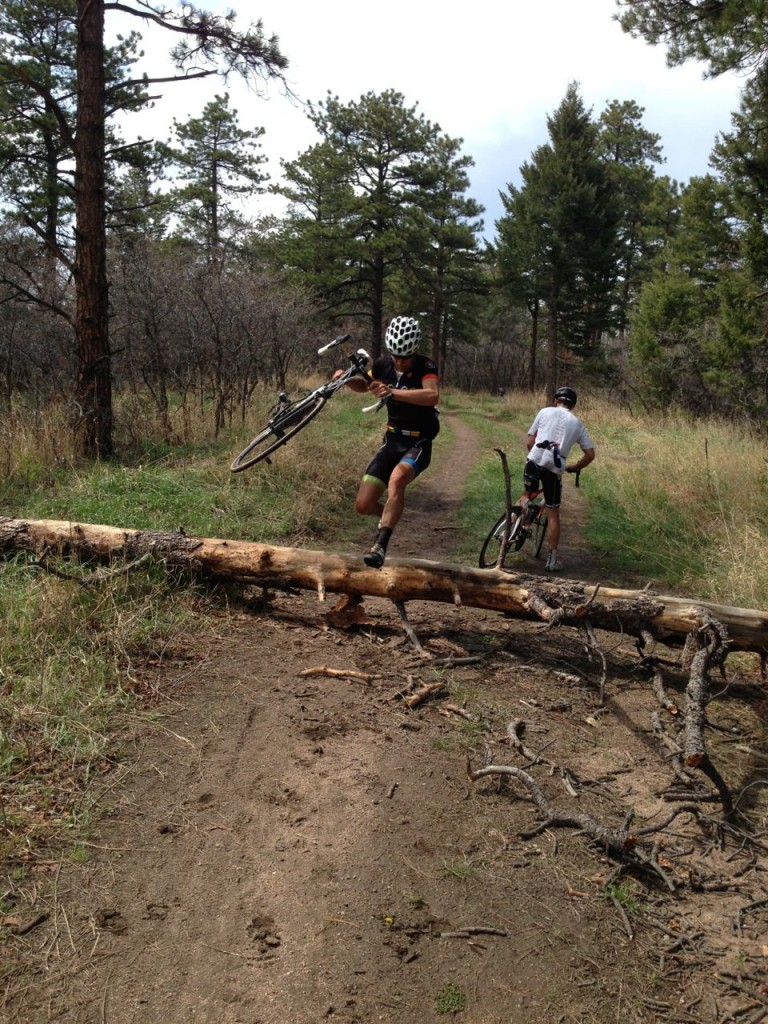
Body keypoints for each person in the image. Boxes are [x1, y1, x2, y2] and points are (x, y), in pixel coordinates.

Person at [335, 315, 440, 569]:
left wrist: (393, 392)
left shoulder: (426, 366)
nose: (399, 361)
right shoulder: (384, 364)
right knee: (363, 504)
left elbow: (432, 395)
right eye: (395, 356)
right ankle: (388, 518)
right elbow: (366, 385)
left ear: (414, 352)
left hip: (418, 442)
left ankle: (380, 545)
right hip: (392, 439)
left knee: (397, 480)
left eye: (405, 357)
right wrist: (346, 380)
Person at [518, 386, 595, 573]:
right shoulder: (577, 424)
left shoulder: (544, 411)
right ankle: (551, 560)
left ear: (556, 400)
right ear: (573, 405)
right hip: (554, 469)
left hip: (535, 461)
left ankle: (509, 530)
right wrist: (576, 467)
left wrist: (536, 458)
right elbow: (590, 454)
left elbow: (529, 442)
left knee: (527, 495)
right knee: (553, 514)